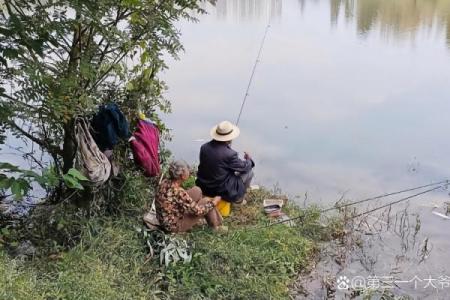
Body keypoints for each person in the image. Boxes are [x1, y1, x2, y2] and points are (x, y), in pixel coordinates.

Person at [155, 160, 223, 233]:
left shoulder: (165, 182)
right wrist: (214, 202)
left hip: (167, 217)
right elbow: (198, 212)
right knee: (207, 201)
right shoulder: (179, 192)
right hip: (173, 226)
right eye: (187, 170)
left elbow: (179, 198)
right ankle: (215, 227)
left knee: (197, 190)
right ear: (182, 175)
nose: (189, 172)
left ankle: (201, 218)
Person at [196, 120, 255, 204]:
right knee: (249, 172)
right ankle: (239, 199)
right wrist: (249, 160)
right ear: (229, 137)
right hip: (219, 190)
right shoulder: (230, 154)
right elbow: (244, 167)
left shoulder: (204, 147)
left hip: (203, 186)